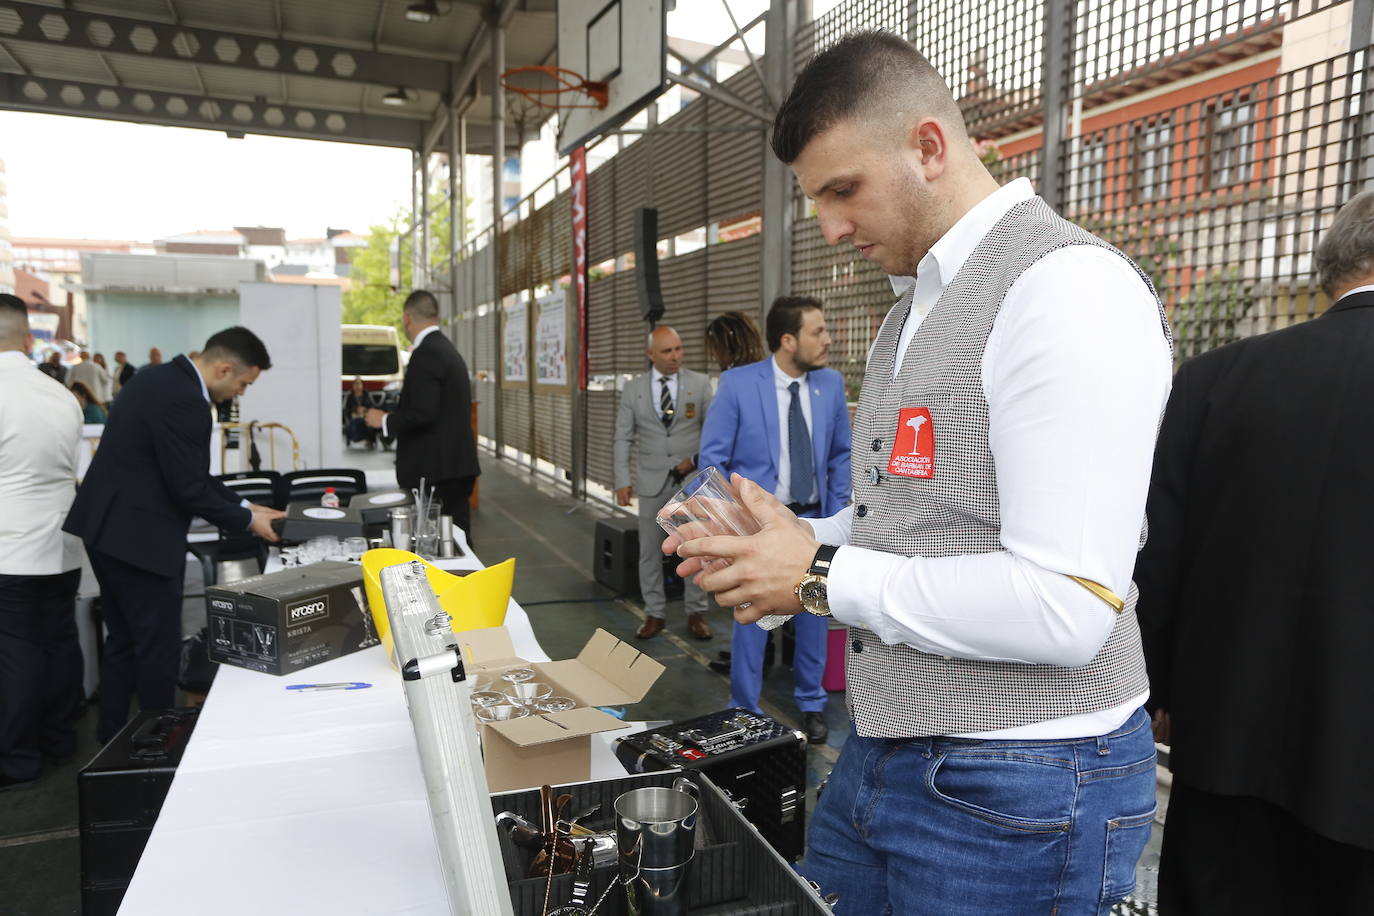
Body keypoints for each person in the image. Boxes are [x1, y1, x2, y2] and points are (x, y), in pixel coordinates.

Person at [668, 31, 1172, 913]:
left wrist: (819, 576)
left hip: (1025, 782)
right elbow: (916, 517)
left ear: (929, 147)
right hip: (891, 749)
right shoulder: (914, 312)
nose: (830, 228)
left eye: (842, 190)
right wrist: (790, 539)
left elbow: (1068, 603)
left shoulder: (1067, 291)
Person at [1132, 191, 1374, 912]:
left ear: (1331, 266)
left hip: (1222, 737)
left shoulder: (1215, 379)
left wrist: (1163, 688)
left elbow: (1159, 548)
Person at [64, 327, 284, 743]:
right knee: (157, 649)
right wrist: (247, 521)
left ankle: (113, 740)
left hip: (107, 531)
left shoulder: (155, 377)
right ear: (224, 368)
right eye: (243, 383)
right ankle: (157, 743)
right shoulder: (187, 401)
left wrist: (247, 506)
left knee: (124, 642)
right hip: (139, 540)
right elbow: (188, 487)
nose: (240, 393)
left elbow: (189, 476)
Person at [697, 296, 852, 744]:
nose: (827, 339)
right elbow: (712, 459)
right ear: (788, 340)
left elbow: (841, 453)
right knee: (752, 621)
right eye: (817, 332)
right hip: (758, 527)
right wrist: (733, 522)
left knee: (814, 611)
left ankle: (811, 703)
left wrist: (836, 506)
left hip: (814, 523)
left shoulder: (831, 386)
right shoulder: (738, 385)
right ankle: (742, 708)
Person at [0, 294, 85, 791]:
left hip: (10, 544)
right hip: (62, 540)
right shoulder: (60, 393)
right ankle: (60, 740)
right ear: (29, 338)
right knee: (58, 641)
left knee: (15, 652)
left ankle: (17, 759)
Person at [614, 326, 715, 641]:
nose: (676, 357)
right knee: (649, 551)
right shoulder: (634, 389)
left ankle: (696, 613)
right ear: (650, 355)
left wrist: (699, 464)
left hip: (690, 482)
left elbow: (713, 434)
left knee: (694, 549)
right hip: (651, 481)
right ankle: (654, 612)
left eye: (679, 349)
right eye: (667, 351)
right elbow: (623, 436)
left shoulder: (700, 385)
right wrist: (621, 480)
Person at [365, 290, 480, 539]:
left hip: (437, 471)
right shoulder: (446, 349)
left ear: (407, 318)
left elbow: (422, 413)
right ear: (436, 315)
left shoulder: (426, 353)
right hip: (453, 466)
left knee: (443, 546)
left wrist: (383, 420)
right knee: (456, 540)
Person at [343, 376, 376, 449]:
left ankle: (369, 440)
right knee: (355, 422)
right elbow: (346, 410)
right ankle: (356, 438)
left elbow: (372, 407)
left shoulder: (367, 395)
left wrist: (364, 409)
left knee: (368, 423)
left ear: (362, 385)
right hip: (354, 417)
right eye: (355, 384)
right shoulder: (350, 396)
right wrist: (355, 409)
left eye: (359, 384)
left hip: (365, 416)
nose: (357, 386)